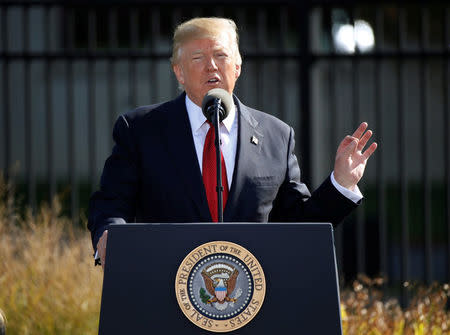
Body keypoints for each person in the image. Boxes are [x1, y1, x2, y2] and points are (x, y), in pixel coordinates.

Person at [88, 17, 377, 269]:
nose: (211, 65)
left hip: (255, 297)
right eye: (198, 58)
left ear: (237, 67)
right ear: (179, 72)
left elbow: (300, 224)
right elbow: (112, 203)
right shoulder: (141, 130)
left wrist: (340, 183)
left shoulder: (276, 135)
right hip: (165, 289)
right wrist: (111, 235)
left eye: (221, 55)